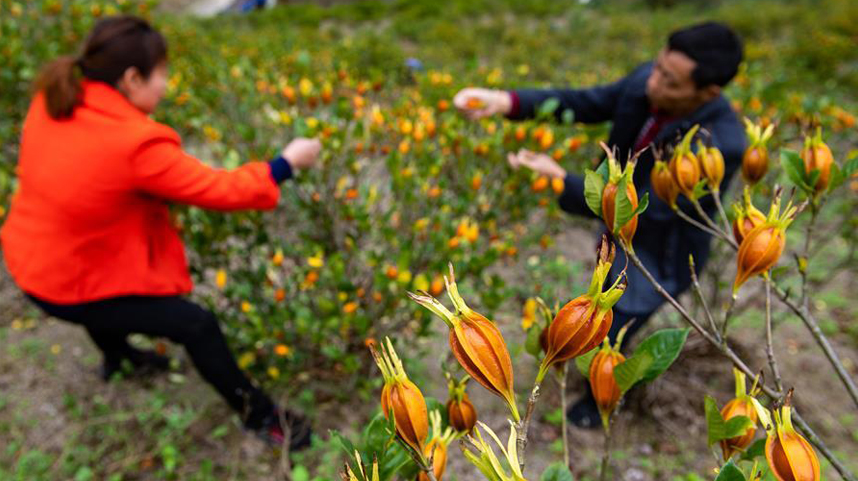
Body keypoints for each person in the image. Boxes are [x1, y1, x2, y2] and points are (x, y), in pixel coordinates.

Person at [0, 16, 320, 450]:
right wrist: (286, 163)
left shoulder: (54, 99)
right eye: (162, 74)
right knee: (196, 325)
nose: (166, 85)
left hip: (31, 262)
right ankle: (263, 418)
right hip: (67, 284)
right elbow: (220, 188)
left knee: (106, 291)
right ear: (131, 78)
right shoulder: (136, 144)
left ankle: (119, 359)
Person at [452, 22, 745, 428]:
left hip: (659, 251)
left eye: (670, 81)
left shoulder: (721, 143)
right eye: (658, 68)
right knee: (597, 309)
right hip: (613, 228)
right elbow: (588, 101)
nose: (653, 82)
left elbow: (654, 210)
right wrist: (507, 101)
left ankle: (597, 403)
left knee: (620, 318)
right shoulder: (649, 80)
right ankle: (581, 363)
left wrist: (563, 183)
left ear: (708, 92)